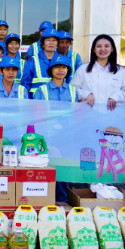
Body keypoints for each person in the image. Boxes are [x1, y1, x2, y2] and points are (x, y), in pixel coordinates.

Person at [33, 54, 77, 203]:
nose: (60, 70)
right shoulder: (42, 90)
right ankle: (43, 199)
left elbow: (75, 114)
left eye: (64, 67)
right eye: (57, 67)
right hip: (47, 136)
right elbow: (37, 115)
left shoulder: (72, 91)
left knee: (62, 168)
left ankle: (62, 200)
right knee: (45, 168)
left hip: (66, 136)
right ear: (51, 70)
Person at [70, 34, 125, 111]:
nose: (103, 49)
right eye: (99, 46)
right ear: (94, 49)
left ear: (112, 49)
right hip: (88, 114)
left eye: (107, 46)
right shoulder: (83, 70)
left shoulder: (121, 71)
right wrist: (86, 94)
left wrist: (116, 97)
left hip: (113, 115)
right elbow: (72, 89)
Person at [21, 27, 61, 98]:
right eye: (48, 40)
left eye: (54, 40)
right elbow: (26, 84)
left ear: (57, 43)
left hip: (57, 102)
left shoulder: (62, 61)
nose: (51, 43)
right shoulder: (33, 60)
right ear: (42, 43)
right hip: (37, 103)